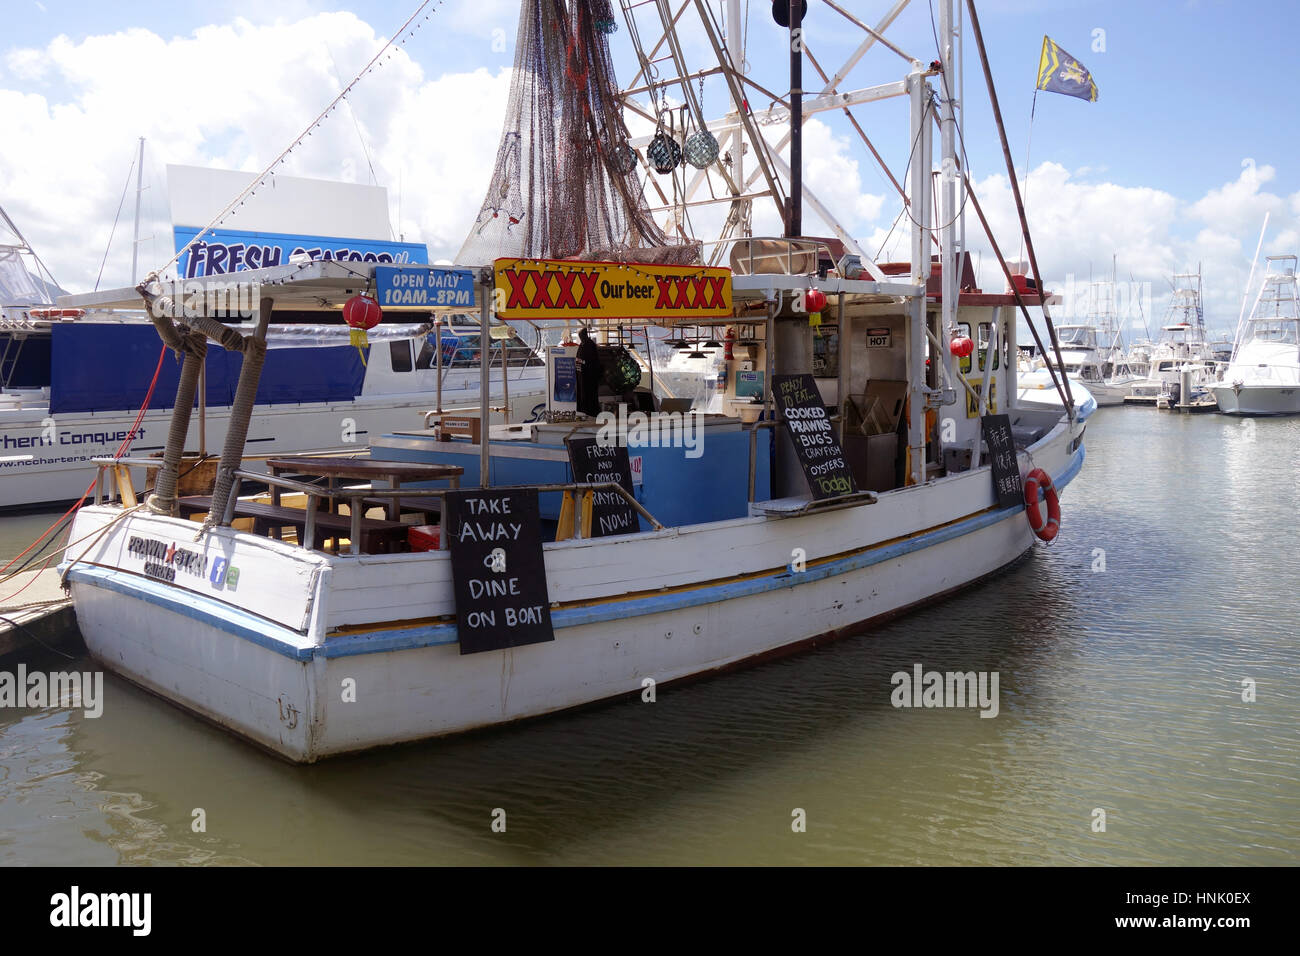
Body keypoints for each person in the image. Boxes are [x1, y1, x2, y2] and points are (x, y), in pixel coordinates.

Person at [576, 327, 602, 417]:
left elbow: (593, 362)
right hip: (582, 377)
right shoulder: (582, 345)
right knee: (583, 397)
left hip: (589, 378)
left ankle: (591, 413)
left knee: (590, 398)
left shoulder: (589, 345)